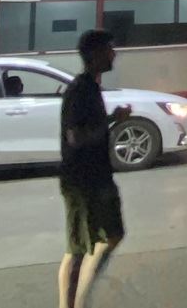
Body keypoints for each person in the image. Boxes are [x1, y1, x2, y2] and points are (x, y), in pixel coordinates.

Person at [58, 30, 132, 308]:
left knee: (114, 234)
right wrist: (109, 122)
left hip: (99, 177)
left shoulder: (92, 87)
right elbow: (75, 137)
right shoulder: (80, 90)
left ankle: (82, 295)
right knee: (77, 249)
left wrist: (112, 119)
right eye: (109, 49)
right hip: (81, 180)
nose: (114, 54)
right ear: (95, 54)